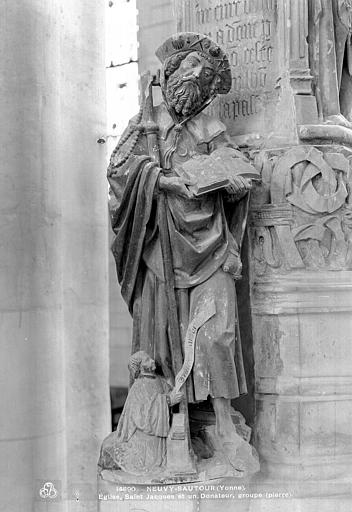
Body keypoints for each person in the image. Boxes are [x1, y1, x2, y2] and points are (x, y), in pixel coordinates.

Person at [108, 32, 252, 442]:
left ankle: (224, 425)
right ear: (171, 72)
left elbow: (234, 165)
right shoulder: (147, 123)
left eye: (204, 75)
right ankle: (177, 425)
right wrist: (160, 181)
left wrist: (235, 184)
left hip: (211, 244)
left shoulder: (210, 126)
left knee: (218, 333)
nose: (196, 76)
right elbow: (119, 173)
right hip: (161, 246)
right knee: (166, 346)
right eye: (189, 66)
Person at [98, 351, 182, 475]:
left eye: (150, 358)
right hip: (144, 436)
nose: (152, 361)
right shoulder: (138, 387)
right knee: (149, 462)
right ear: (141, 367)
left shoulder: (159, 380)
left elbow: (168, 392)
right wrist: (169, 400)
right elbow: (140, 416)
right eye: (147, 360)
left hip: (157, 433)